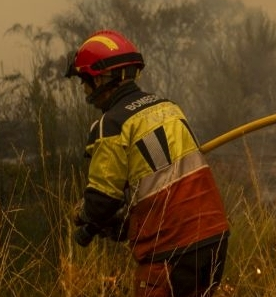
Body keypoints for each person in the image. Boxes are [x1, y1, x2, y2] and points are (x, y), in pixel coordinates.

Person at [66, 29, 230, 297]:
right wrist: (125, 225)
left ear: (105, 77)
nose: (84, 88)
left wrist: (82, 216)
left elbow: (102, 200)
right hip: (213, 236)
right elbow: (161, 183)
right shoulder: (168, 107)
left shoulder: (111, 124)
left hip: (170, 247)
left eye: (86, 79)